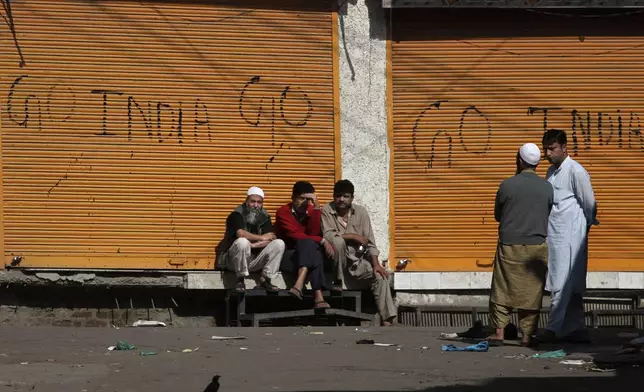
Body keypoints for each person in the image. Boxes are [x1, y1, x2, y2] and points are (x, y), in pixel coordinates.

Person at [488, 143, 553, 347]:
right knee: (532, 291)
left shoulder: (507, 185)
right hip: (536, 246)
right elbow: (548, 212)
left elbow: (498, 216)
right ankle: (526, 336)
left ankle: (499, 331)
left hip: (509, 244)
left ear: (519, 160)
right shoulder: (547, 187)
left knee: (502, 288)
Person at [538, 129, 598, 343]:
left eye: (552, 148)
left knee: (561, 283)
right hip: (555, 236)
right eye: (546, 149)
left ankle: (552, 329)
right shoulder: (551, 172)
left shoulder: (576, 171)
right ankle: (576, 328)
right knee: (567, 284)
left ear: (564, 148)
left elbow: (589, 203)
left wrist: (583, 227)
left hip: (571, 237)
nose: (548, 153)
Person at [321, 179, 397, 326]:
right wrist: (353, 236)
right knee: (338, 241)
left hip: (357, 263)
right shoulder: (327, 210)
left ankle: (388, 319)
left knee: (380, 277)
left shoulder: (361, 212)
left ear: (352, 198)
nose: (341, 199)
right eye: (338, 196)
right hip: (335, 265)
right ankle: (338, 280)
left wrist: (376, 265)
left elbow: (370, 242)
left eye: (345, 196)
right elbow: (329, 235)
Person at [275, 181, 335, 309]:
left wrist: (316, 207)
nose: (304, 202)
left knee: (312, 249)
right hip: (289, 256)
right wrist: (321, 240)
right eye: (301, 198)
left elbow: (314, 232)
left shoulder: (312, 210)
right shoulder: (283, 212)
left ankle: (298, 285)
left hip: (307, 256)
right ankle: (318, 297)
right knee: (309, 246)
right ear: (293, 198)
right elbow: (295, 235)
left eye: (308, 199)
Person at [220, 186, 285, 293]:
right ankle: (240, 279)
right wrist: (262, 238)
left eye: (259, 202)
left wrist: (253, 245)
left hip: (254, 260)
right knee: (242, 242)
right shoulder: (236, 214)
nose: (256, 205)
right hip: (235, 262)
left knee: (279, 243)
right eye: (253, 202)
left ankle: (266, 279)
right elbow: (241, 233)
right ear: (246, 201)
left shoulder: (264, 216)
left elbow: (271, 238)